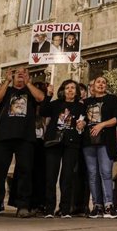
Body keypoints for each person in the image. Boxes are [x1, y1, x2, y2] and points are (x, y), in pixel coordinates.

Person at [0, 67, 46, 218]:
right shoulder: (7, 90)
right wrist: (7, 81)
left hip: (26, 137)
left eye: (24, 72)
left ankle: (23, 206)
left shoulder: (30, 90)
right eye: (17, 72)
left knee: (25, 171)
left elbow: (41, 98)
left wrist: (28, 83)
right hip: (4, 136)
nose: (21, 74)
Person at [41, 80, 86, 218]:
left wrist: (82, 125)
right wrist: (48, 95)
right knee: (51, 176)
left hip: (71, 143)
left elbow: (83, 121)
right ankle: (49, 209)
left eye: (73, 88)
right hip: (54, 142)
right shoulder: (55, 104)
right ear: (63, 90)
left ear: (77, 91)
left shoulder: (81, 106)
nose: (70, 90)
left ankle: (65, 209)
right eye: (67, 88)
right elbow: (43, 111)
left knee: (67, 177)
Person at [82, 76, 117, 219]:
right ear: (92, 86)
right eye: (98, 82)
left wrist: (101, 124)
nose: (101, 84)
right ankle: (97, 205)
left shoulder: (112, 99)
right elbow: (82, 119)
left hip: (105, 141)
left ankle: (109, 205)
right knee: (92, 174)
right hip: (88, 142)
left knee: (105, 172)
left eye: (104, 82)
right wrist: (82, 124)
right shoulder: (85, 102)